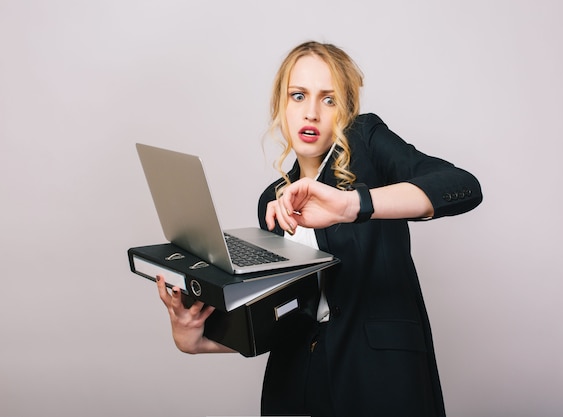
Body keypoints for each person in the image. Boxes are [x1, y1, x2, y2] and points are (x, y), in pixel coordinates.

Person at [156, 41, 483, 417]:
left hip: (381, 380)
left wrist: (351, 204)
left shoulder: (367, 142)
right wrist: (195, 340)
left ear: (345, 111)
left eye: (328, 100)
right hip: (296, 385)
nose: (311, 113)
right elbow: (285, 321)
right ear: (281, 104)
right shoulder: (272, 202)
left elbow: (462, 186)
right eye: (298, 96)